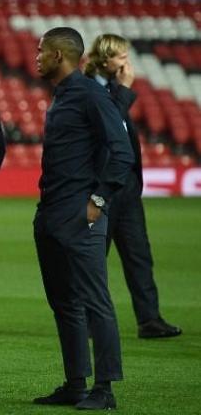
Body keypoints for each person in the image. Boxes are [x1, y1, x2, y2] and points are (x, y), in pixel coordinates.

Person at [32, 27, 133, 410]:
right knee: (64, 303)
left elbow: (121, 151)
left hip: (80, 214)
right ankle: (76, 383)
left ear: (60, 56)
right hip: (52, 213)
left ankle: (105, 388)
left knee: (95, 301)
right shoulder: (62, 97)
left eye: (42, 51)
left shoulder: (91, 94)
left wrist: (99, 200)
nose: (36, 56)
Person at [84, 34, 182, 339]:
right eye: (121, 57)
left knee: (139, 254)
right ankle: (87, 321)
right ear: (105, 60)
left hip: (125, 188)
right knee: (95, 256)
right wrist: (125, 88)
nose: (127, 63)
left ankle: (149, 318)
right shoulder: (91, 91)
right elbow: (109, 122)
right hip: (102, 186)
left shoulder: (113, 90)